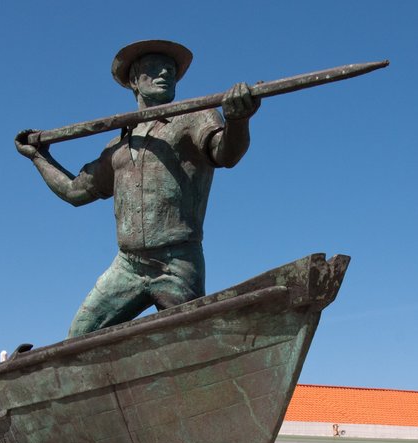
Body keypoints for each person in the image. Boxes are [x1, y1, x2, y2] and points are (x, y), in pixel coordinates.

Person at [15, 40, 259, 338]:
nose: (165, 73)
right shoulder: (116, 147)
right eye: (155, 68)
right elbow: (74, 192)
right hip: (128, 265)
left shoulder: (195, 117)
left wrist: (238, 120)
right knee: (79, 337)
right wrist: (38, 158)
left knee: (195, 340)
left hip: (177, 262)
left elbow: (226, 154)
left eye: (170, 69)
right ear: (134, 80)